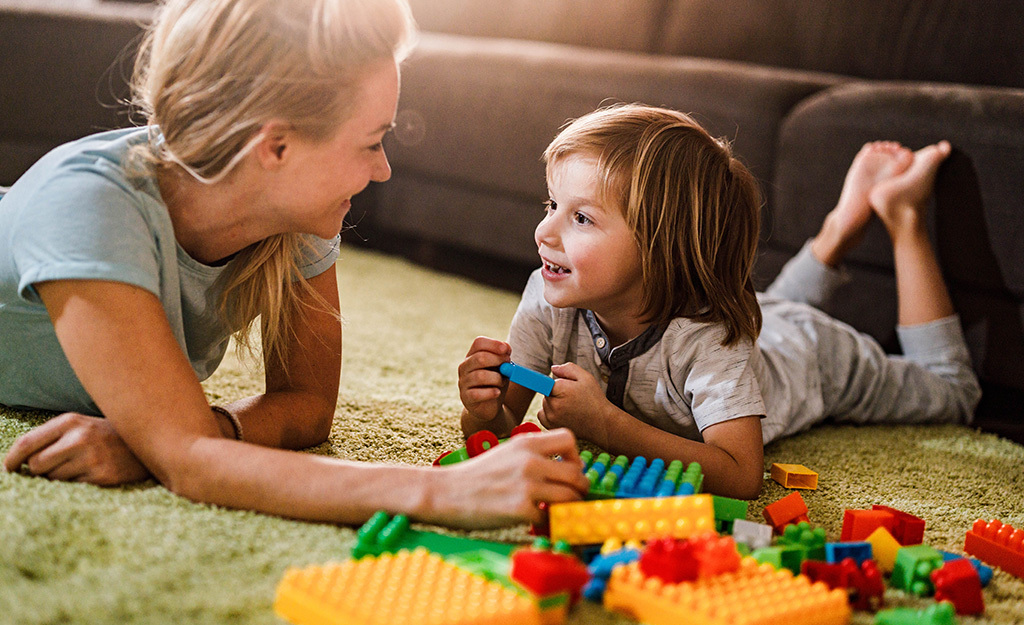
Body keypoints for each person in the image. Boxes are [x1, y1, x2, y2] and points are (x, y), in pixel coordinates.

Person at [0, 0, 589, 529]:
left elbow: (305, 406)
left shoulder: (291, 211)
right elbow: (193, 468)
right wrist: (443, 490)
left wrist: (173, 439)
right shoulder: (88, 205)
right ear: (275, 147)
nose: (383, 169)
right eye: (370, 142)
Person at [458, 104, 981, 500]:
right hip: (751, 323)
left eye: (581, 218)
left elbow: (740, 473)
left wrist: (609, 427)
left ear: (660, 245)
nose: (543, 231)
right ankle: (838, 229)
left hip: (806, 358)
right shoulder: (548, 297)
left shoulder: (710, 341)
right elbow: (502, 430)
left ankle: (899, 213)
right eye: (552, 204)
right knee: (763, 307)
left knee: (952, 392)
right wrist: (483, 412)